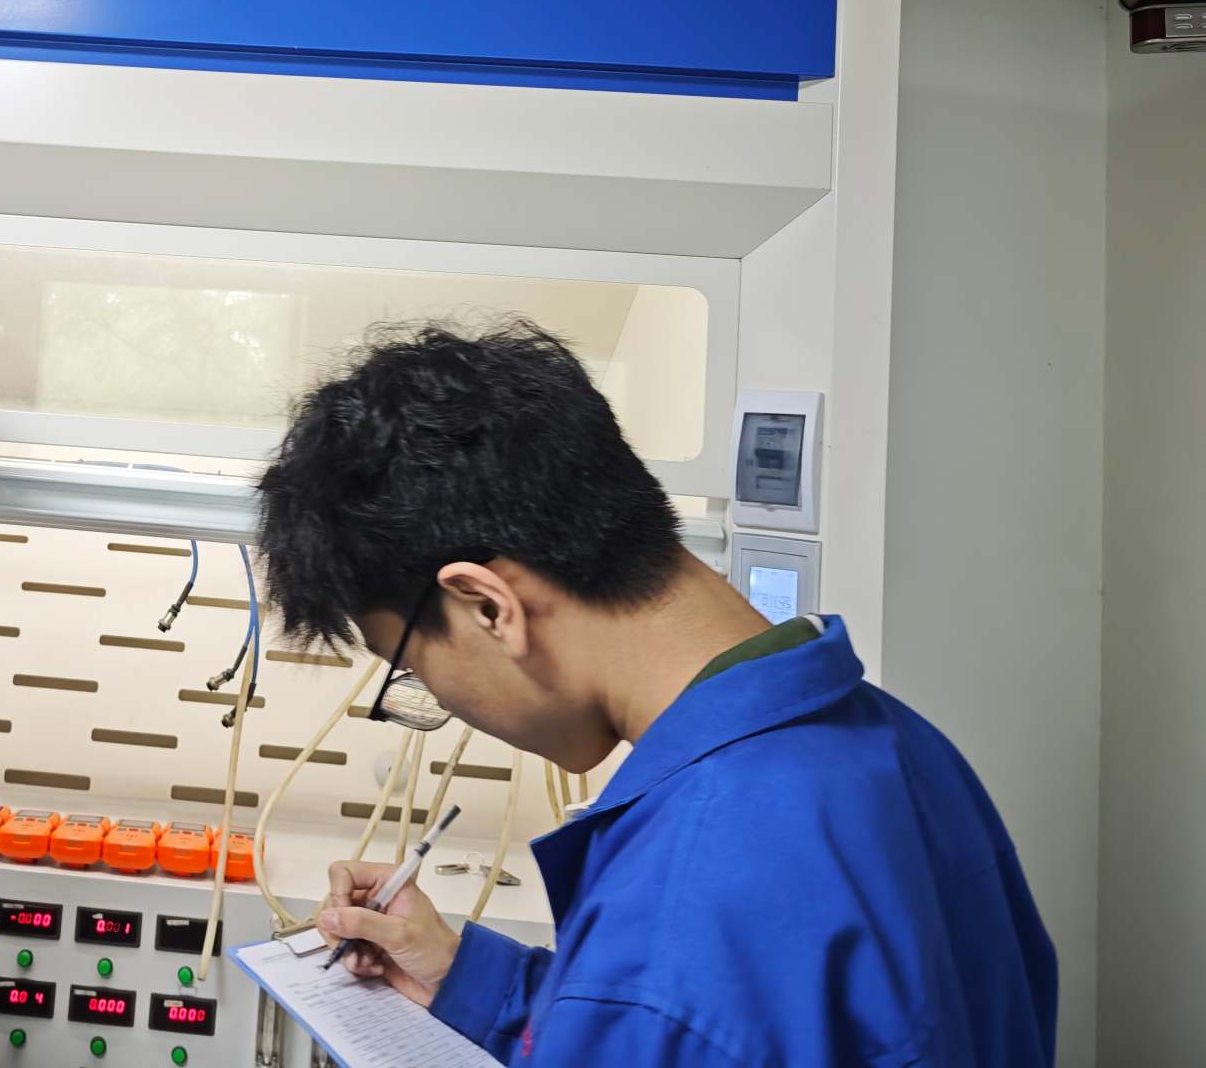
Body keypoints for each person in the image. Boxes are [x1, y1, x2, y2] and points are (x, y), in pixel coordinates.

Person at [257, 321, 1057, 1067]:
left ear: (489, 607)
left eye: (411, 666)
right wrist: (469, 980)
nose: (439, 699)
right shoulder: (895, 747)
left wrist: (613, 1003)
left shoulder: (678, 910)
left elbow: (673, 1014)